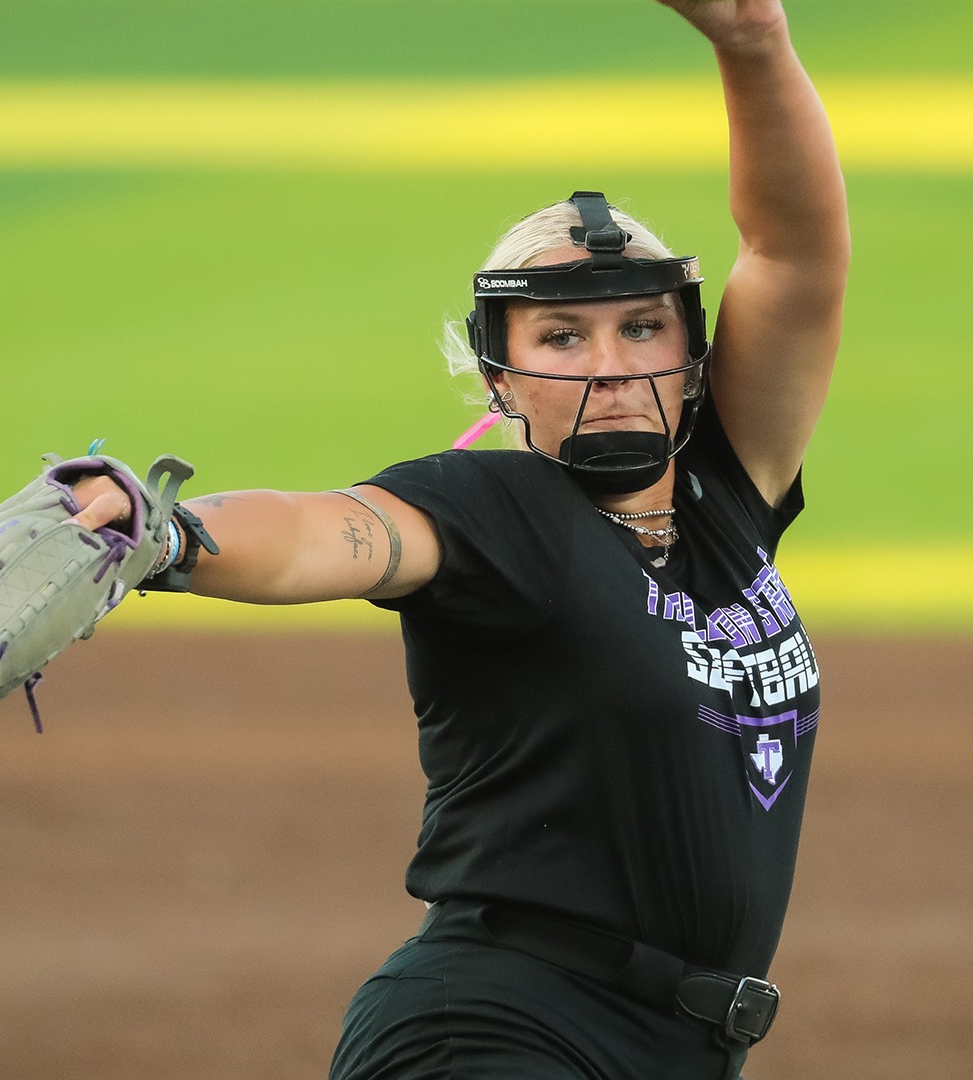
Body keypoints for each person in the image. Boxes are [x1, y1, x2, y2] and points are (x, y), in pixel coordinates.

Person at [70, 2, 845, 1075]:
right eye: (563, 336)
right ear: (501, 377)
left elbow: (795, 255)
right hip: (495, 1033)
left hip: (671, 1051)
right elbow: (320, 533)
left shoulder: (728, 498)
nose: (610, 364)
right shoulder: (496, 511)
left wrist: (754, 41)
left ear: (694, 348)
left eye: (642, 325)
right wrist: (171, 535)